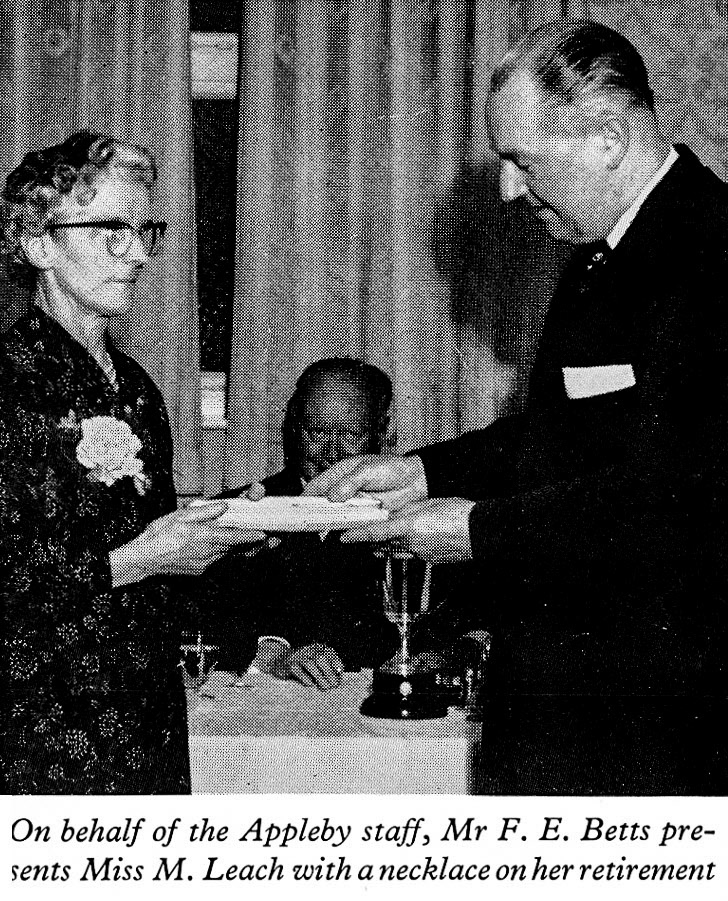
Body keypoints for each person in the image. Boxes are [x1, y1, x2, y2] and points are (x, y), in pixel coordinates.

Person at [305, 20, 728, 794]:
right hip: (574, 715)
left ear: (606, 136)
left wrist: (475, 528)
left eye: (521, 160)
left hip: (656, 735)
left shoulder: (714, 253)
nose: (506, 186)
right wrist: (423, 472)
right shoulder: (597, 259)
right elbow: (560, 436)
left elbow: (682, 495)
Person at [0, 131, 263, 794]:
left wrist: (220, 532)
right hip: (43, 735)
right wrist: (141, 557)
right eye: (111, 230)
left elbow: (152, 551)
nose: (139, 253)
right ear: (37, 243)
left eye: (144, 229)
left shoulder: (137, 387)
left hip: (144, 718)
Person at [205, 358, 400, 689]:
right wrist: (269, 652)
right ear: (292, 428)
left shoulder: (418, 518)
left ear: (385, 434)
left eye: (350, 434)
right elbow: (195, 618)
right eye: (317, 431)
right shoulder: (234, 513)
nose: (330, 452)